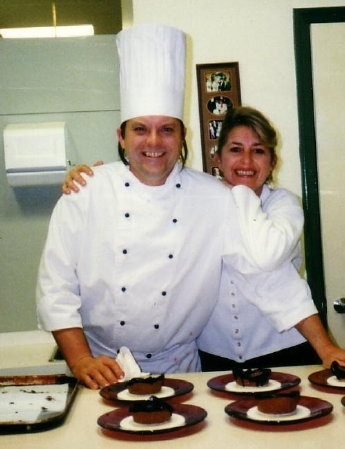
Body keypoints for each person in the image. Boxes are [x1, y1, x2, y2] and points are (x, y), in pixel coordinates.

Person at [36, 25, 306, 390]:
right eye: (139, 129)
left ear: (182, 137)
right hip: (98, 366)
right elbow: (56, 286)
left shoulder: (215, 197)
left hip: (183, 368)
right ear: (121, 136)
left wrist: (326, 347)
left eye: (166, 129)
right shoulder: (86, 191)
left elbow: (265, 279)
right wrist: (80, 358)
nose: (153, 142)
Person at [63, 106, 345, 373]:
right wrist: (102, 183)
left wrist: (326, 349)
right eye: (235, 150)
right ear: (217, 158)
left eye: (258, 151)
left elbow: (270, 273)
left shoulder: (282, 204)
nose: (246, 162)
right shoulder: (198, 199)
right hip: (214, 358)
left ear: (272, 161)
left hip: (284, 349)